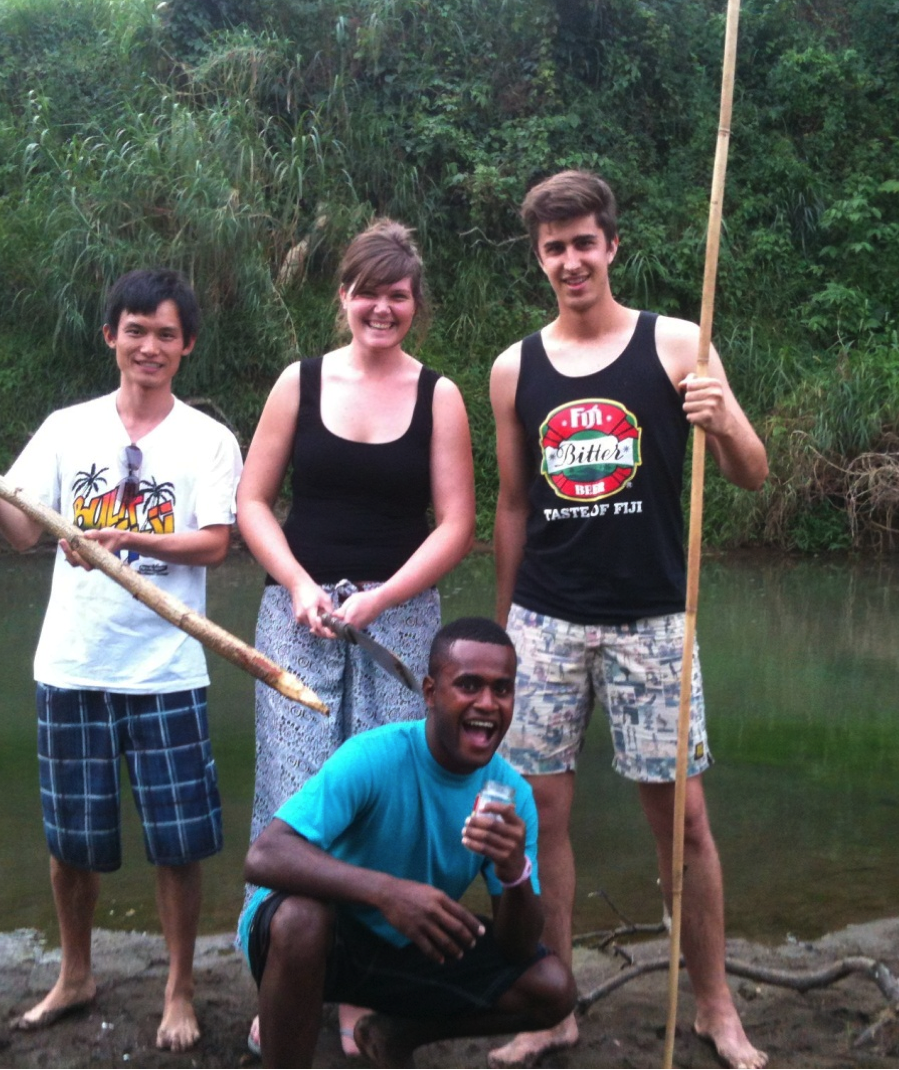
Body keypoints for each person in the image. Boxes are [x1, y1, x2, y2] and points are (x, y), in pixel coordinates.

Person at [487, 171, 770, 1069]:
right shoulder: (513, 368)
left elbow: (753, 472)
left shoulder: (678, 343)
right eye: (554, 247)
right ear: (539, 259)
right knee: (539, 816)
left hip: (653, 618)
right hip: (546, 618)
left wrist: (722, 422)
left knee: (682, 822)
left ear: (612, 245)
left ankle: (715, 1005)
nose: (571, 260)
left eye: (584, 242)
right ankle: (553, 1003)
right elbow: (512, 506)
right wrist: (502, 630)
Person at [0, 269, 241, 1052]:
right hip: (72, 664)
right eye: (136, 330)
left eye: (166, 333)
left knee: (179, 843)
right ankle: (75, 973)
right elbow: (22, 531)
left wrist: (130, 538)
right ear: (110, 337)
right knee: (71, 840)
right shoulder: (67, 429)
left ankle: (179, 986)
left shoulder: (208, 439)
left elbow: (215, 542)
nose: (149, 346)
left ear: (187, 345)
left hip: (166, 669)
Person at [235, 218, 475, 1052]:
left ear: (415, 303)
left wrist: (381, 598)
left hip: (398, 621)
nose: (381, 308)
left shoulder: (439, 394)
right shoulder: (297, 382)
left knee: (387, 796)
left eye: (397, 295)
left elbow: (456, 523)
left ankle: (359, 990)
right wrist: (301, 583)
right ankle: (283, 976)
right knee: (295, 794)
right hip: (297, 617)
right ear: (343, 296)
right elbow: (252, 502)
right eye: (367, 292)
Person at [240, 617, 577, 1069]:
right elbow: (265, 855)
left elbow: (516, 950)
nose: (487, 703)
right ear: (430, 692)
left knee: (552, 987)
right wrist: (387, 893)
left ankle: (394, 1034)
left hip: (406, 946)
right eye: (469, 685)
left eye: (502, 689)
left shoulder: (511, 795)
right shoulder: (374, 756)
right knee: (301, 918)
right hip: (323, 939)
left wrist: (514, 871)